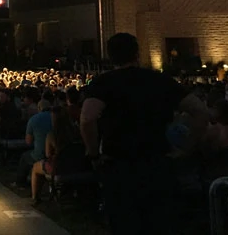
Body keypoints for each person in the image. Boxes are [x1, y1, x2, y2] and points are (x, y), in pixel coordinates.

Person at [80, 33, 208, 235]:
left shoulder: (104, 83)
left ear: (110, 55)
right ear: (137, 53)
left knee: (125, 224)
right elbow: (200, 111)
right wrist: (187, 148)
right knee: (160, 224)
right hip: (158, 162)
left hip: (120, 164)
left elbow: (87, 119)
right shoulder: (160, 81)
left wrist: (93, 152)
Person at [30, 105, 79, 204]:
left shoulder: (52, 135)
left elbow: (48, 155)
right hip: (77, 164)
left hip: (59, 166)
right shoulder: (76, 131)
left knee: (36, 167)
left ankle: (35, 197)